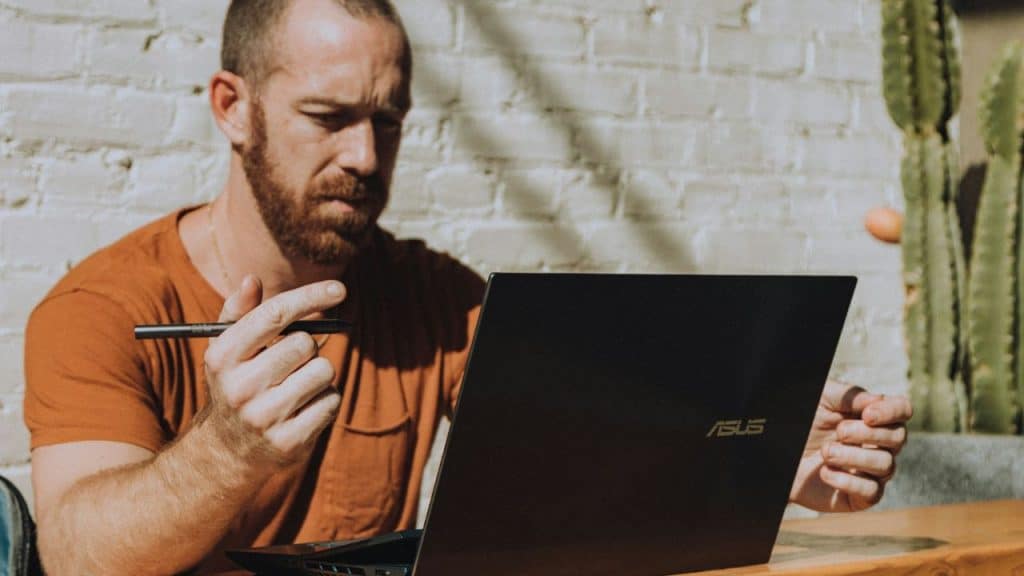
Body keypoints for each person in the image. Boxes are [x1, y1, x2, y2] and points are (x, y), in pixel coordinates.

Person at [21, 0, 913, 574]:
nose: (365, 158)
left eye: (389, 121)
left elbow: (595, 432)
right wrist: (224, 450)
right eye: (328, 119)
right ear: (232, 106)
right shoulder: (103, 310)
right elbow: (74, 555)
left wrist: (755, 458)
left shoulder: (433, 301)